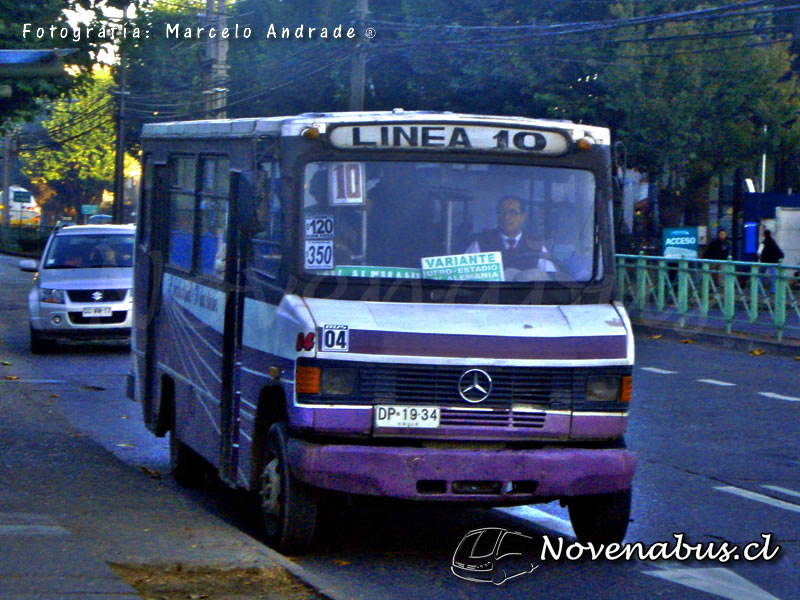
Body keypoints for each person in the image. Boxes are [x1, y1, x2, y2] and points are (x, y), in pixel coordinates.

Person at [465, 195, 556, 278]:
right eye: (502, 212)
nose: (506, 217)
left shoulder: (536, 244)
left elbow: (549, 278)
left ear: (523, 217)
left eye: (513, 212)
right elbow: (465, 276)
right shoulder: (481, 242)